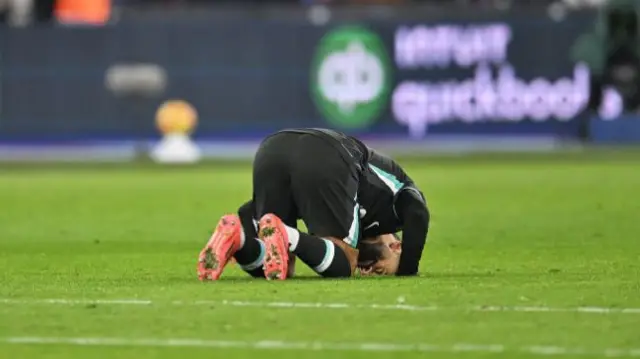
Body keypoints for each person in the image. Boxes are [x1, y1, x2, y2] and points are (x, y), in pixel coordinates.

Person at [199, 128, 370, 281]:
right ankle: (288, 234)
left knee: (282, 264)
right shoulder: (385, 177)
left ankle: (240, 239)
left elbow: (246, 209)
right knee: (346, 261)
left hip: (270, 149)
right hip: (322, 154)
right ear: (396, 246)